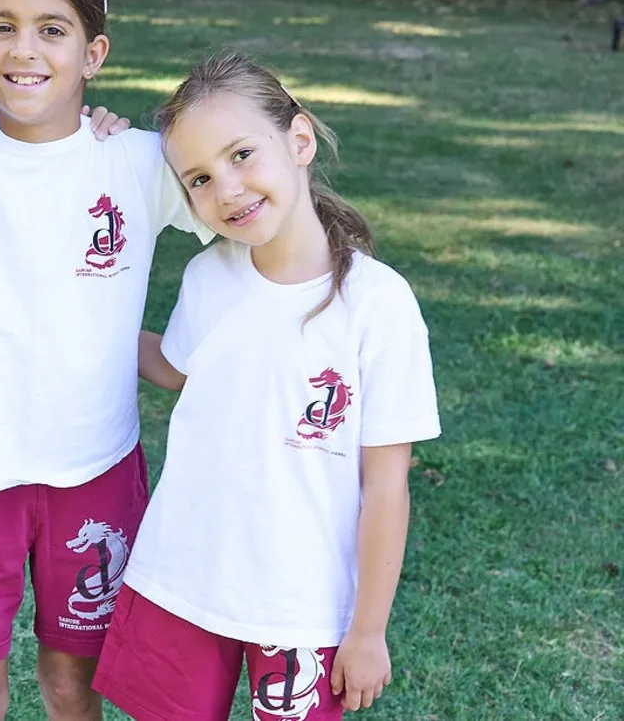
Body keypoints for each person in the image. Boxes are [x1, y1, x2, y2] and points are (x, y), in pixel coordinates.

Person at [0, 0, 212, 721]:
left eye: (53, 30)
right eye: (3, 27)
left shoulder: (138, 162)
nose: (26, 49)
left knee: (73, 681)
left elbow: (251, 214)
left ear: (93, 53)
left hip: (95, 467)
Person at [91, 50, 443, 720]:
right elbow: (176, 366)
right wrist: (81, 328)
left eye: (241, 155)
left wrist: (368, 631)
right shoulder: (208, 276)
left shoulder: (377, 304)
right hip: (184, 577)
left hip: (301, 603)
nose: (226, 188)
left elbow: (386, 487)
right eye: (199, 178)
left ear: (299, 141)